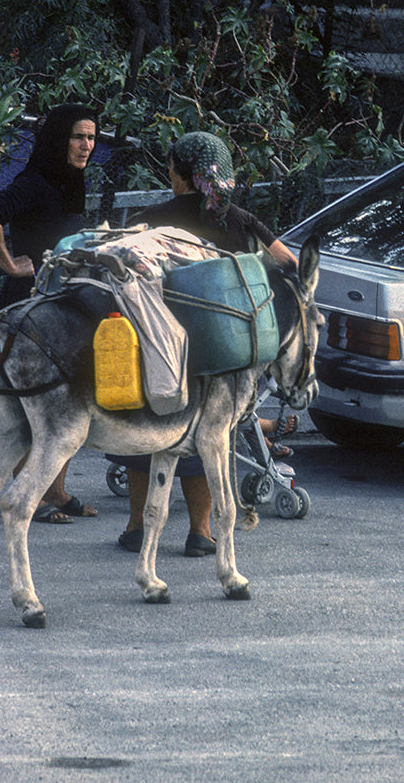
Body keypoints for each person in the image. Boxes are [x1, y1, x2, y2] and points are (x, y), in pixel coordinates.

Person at [112, 130, 297, 556]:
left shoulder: (151, 216)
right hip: (221, 349)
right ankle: (201, 532)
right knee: (211, 438)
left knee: (151, 430)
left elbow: (124, 268)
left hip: (160, 346)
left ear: (180, 175)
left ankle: (137, 527)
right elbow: (287, 264)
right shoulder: (241, 219)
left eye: (171, 168)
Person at [0, 103, 100, 524]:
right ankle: (29, 494)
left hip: (58, 303)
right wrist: (10, 263)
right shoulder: (35, 181)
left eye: (91, 137)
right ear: (59, 139)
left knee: (65, 397)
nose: (86, 145)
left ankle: (53, 490)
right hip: (29, 305)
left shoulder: (70, 180)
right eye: (78, 136)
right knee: (31, 401)